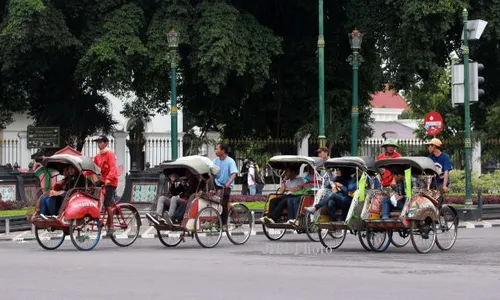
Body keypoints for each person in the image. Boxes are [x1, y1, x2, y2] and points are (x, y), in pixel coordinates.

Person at [93, 135, 119, 234]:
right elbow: (92, 167)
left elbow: (113, 169)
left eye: (101, 142)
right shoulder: (98, 156)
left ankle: (111, 226)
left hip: (111, 181)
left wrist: (108, 179)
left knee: (107, 204)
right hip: (103, 179)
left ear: (106, 143)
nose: (99, 144)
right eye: (98, 142)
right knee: (92, 189)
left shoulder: (110, 154)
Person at [213, 143, 238, 230]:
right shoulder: (215, 161)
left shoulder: (230, 161)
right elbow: (211, 171)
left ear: (222, 151)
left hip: (226, 186)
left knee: (223, 204)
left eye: (217, 149)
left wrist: (228, 183)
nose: (215, 151)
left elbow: (234, 174)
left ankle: (224, 224)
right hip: (217, 184)